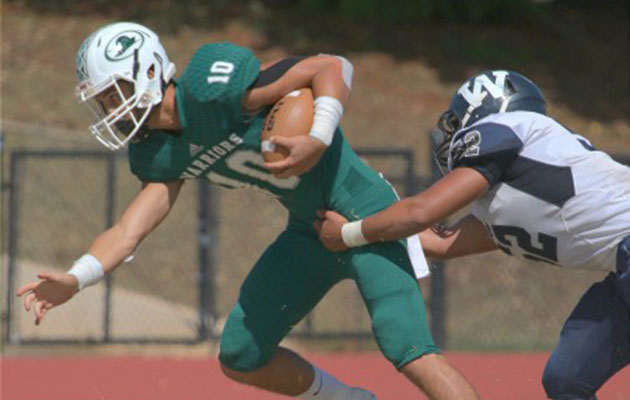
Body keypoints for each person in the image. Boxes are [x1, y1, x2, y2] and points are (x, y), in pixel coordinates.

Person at [15, 22, 481, 400]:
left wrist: (318, 135)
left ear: (149, 72)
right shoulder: (157, 152)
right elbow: (127, 231)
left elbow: (331, 66)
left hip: (364, 216)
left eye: (113, 93)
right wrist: (77, 278)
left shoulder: (211, 92)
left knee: (409, 350)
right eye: (102, 100)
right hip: (310, 230)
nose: (109, 109)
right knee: (240, 354)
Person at [315, 69, 630, 400]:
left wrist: (349, 234)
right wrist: (356, 215)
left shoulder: (508, 128)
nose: (450, 133)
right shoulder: (520, 185)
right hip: (622, 269)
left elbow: (421, 212)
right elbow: (439, 243)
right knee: (567, 378)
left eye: (456, 121)